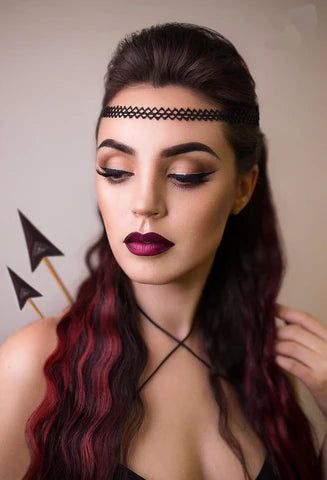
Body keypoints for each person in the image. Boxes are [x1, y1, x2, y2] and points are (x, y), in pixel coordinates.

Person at [0, 22, 324, 480]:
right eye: (116, 170)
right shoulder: (32, 368)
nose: (144, 203)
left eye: (187, 174)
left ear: (242, 189)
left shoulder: (269, 373)